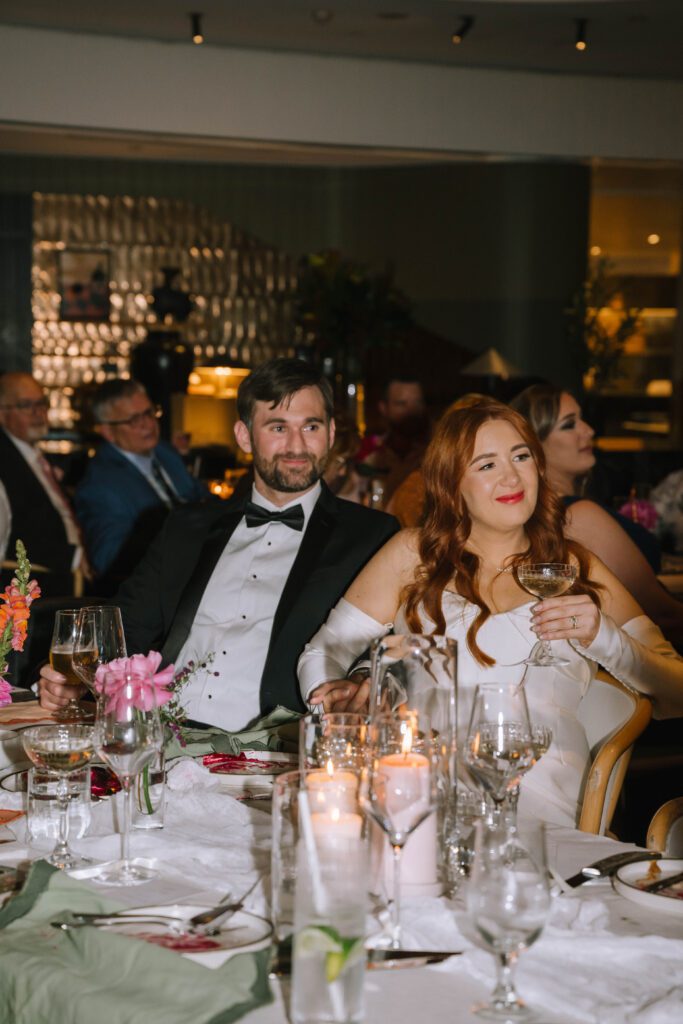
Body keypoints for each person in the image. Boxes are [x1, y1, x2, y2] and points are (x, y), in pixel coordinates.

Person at [298, 398, 683, 828]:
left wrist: (604, 638)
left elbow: (677, 692)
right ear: (451, 484)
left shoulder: (575, 568)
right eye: (486, 465)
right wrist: (341, 700)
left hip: (539, 815)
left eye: (521, 457)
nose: (512, 476)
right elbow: (323, 652)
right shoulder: (413, 556)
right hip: (420, 799)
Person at [39, 358, 399, 728]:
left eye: (311, 426)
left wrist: (361, 677)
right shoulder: (187, 527)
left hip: (275, 745)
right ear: (244, 436)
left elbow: (394, 645)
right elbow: (125, 625)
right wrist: (72, 678)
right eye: (278, 427)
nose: (297, 445)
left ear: (331, 432)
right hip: (163, 734)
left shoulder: (371, 537)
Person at [511, 384, 683, 645]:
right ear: (535, 444)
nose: (588, 430)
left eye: (582, 419)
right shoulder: (578, 515)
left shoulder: (552, 513)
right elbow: (661, 614)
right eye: (569, 425)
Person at [74, 379, 206, 593]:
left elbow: (202, 497)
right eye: (134, 420)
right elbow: (109, 561)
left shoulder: (164, 452)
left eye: (149, 413)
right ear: (108, 432)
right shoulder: (99, 485)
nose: (148, 425)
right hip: (159, 588)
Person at [0, 372, 88, 597]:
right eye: (26, 405)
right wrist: (75, 557)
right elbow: (9, 539)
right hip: (36, 591)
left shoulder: (34, 455)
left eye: (41, 403)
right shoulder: (6, 461)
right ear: (2, 413)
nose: (38, 412)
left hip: (68, 580)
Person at [358, 375, 430, 508]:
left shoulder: (436, 453)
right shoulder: (367, 452)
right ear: (383, 408)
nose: (411, 410)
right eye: (401, 403)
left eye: (417, 402)